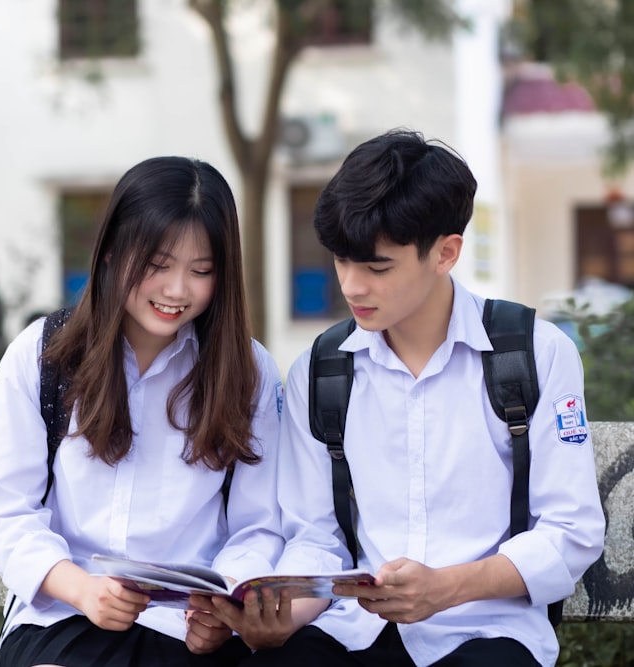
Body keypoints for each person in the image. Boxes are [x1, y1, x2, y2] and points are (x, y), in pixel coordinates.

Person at [196, 129, 606, 666]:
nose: (351, 285)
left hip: (486, 631)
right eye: (341, 261)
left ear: (446, 253)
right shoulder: (321, 371)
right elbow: (315, 538)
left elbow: (570, 531)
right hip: (354, 631)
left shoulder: (532, 354)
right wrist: (273, 623)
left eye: (376, 267)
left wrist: (448, 587)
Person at [0, 155, 285, 667]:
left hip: (185, 632)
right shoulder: (44, 354)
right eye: (158, 265)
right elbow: (4, 513)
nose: (177, 291)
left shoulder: (248, 371)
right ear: (113, 251)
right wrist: (81, 589)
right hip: (62, 619)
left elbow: (259, 526)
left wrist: (222, 607)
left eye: (201, 271)